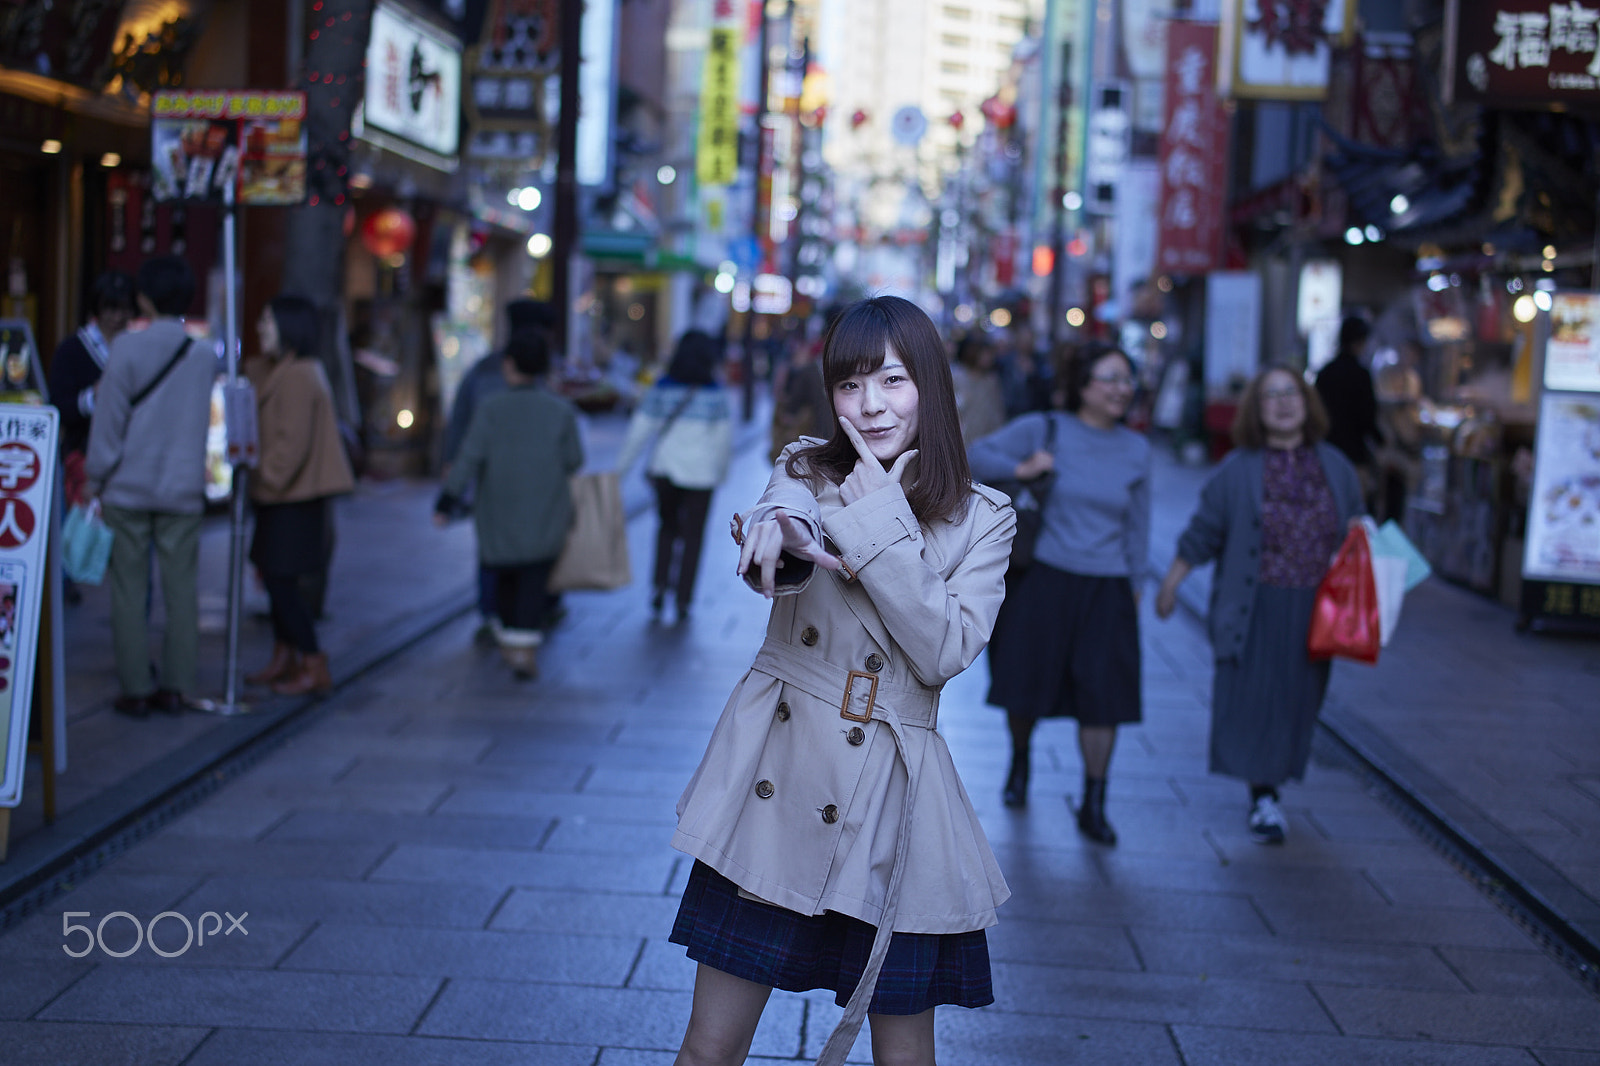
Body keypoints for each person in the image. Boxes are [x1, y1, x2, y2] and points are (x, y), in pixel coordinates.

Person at [668, 296, 1014, 1066]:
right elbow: (785, 519)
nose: (871, 405)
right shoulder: (804, 470)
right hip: (778, 782)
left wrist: (882, 516)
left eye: (892, 381)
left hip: (896, 802)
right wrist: (774, 532)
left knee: (902, 1058)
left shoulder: (984, 517)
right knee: (709, 1048)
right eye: (850, 385)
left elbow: (944, 650)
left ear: (930, 382)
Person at [1154, 365, 1364, 845]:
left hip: (1316, 609)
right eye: (1271, 396)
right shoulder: (1239, 470)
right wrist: (1171, 583)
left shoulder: (1336, 465)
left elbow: (1357, 529)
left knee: (1296, 701)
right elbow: (1204, 530)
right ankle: (1263, 797)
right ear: (1256, 409)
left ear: (1307, 402)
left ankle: (1273, 785)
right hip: (1255, 604)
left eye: (1291, 393)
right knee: (1253, 699)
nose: (1284, 402)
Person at [968, 343, 1151, 843]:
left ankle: (1095, 801)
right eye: (1110, 378)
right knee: (1026, 683)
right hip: (1044, 578)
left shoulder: (1137, 449)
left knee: (1104, 695)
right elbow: (974, 453)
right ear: (1082, 385)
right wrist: (1022, 468)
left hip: (1108, 586)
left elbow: (1138, 525)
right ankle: (1021, 761)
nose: (1121, 389)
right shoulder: (1045, 427)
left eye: (1126, 379)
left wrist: (1136, 585)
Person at [85, 255, 216, 717]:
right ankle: (177, 686)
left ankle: (136, 688)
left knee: (128, 588)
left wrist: (94, 478)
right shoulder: (203, 355)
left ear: (143, 297)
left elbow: (108, 425)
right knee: (182, 591)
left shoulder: (126, 350)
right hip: (181, 489)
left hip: (128, 488)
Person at [434, 328, 583, 679]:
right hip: (546, 511)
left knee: (503, 577)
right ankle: (525, 649)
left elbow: (467, 459)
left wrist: (447, 500)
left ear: (510, 365)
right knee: (534, 580)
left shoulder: (490, 409)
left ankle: (508, 638)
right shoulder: (560, 411)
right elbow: (574, 460)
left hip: (497, 512)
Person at [242, 295, 357, 696]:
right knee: (275, 580)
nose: (260, 328)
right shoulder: (275, 370)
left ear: (289, 327)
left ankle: (312, 660)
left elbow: (291, 446)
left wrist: (263, 479)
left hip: (292, 497)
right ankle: (285, 655)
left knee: (281, 583)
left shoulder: (300, 375)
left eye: (268, 321)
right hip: (279, 497)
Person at [442, 298, 558, 644]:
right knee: (533, 545)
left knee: (491, 543)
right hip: (536, 480)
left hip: (490, 480)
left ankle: (492, 611)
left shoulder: (482, 371)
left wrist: (452, 473)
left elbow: (460, 422)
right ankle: (526, 616)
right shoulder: (541, 376)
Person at [615, 330, 734, 623]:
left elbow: (638, 433)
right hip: (702, 476)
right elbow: (722, 441)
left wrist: (618, 473)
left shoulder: (662, 388)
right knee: (694, 537)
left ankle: (658, 588)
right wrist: (720, 473)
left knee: (666, 530)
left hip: (665, 472)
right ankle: (683, 599)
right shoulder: (715, 393)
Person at [49, 270, 138, 507]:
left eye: (125, 309)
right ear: (97, 309)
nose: (118, 317)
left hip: (129, 460)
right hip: (83, 457)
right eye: (111, 308)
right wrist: (93, 398)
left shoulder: (137, 349)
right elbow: (59, 406)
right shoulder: (72, 350)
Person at [1315, 315, 1379, 485]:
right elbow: (1367, 416)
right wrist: (1381, 440)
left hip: (1325, 448)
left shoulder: (1324, 373)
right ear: (1359, 342)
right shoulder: (1361, 374)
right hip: (1354, 452)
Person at [950, 332, 1007, 445]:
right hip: (962, 440)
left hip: (986, 440)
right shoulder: (956, 377)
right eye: (984, 354)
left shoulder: (991, 381)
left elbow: (997, 412)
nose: (988, 358)